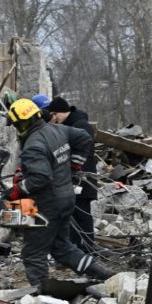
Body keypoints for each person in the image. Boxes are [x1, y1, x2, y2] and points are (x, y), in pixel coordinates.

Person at [4, 98, 114, 286]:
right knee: (62, 247)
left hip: (46, 204)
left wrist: (17, 190)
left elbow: (41, 178)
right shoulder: (57, 129)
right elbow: (85, 137)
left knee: (33, 252)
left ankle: (41, 294)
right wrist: (75, 164)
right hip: (66, 198)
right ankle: (106, 275)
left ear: (21, 124)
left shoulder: (33, 145)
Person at [45, 96, 97, 253]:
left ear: (57, 113)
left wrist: (74, 167)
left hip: (82, 179)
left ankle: (88, 251)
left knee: (83, 216)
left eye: (52, 116)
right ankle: (76, 251)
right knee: (72, 218)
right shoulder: (71, 125)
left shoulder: (80, 125)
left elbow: (85, 146)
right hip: (72, 180)